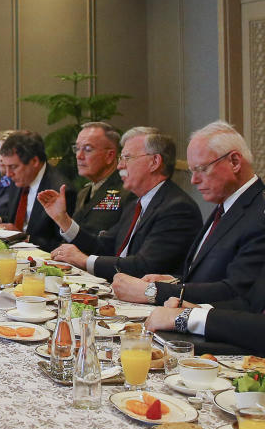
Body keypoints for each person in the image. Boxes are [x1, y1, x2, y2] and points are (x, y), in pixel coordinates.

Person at [112, 121, 265, 305]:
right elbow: (207, 277)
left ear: (234, 162)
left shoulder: (258, 212)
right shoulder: (225, 205)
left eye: (201, 169)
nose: (193, 180)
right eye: (191, 171)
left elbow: (237, 291)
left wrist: (152, 291)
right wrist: (173, 280)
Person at [40, 127, 202, 280]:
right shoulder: (137, 204)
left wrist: (84, 261)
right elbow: (104, 247)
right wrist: (64, 221)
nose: (120, 166)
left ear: (154, 161)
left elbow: (145, 266)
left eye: (127, 158)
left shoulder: (177, 208)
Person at [0, 131, 75, 252]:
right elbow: (18, 220)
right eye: (6, 166)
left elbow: (62, 245)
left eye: (13, 167)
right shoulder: (20, 178)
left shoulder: (59, 191)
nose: (8, 174)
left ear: (34, 162)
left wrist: (24, 237)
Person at [70, 122, 134, 235]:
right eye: (77, 148)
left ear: (109, 156)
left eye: (88, 149)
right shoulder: (84, 193)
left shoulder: (127, 191)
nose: (79, 156)